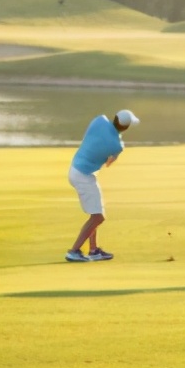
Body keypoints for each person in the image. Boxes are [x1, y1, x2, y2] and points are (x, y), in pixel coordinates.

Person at [65, 108, 140, 262]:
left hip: (76, 169)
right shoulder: (117, 146)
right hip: (83, 176)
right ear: (125, 127)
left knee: (95, 212)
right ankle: (74, 251)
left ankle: (94, 250)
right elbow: (108, 163)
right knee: (98, 217)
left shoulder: (99, 120)